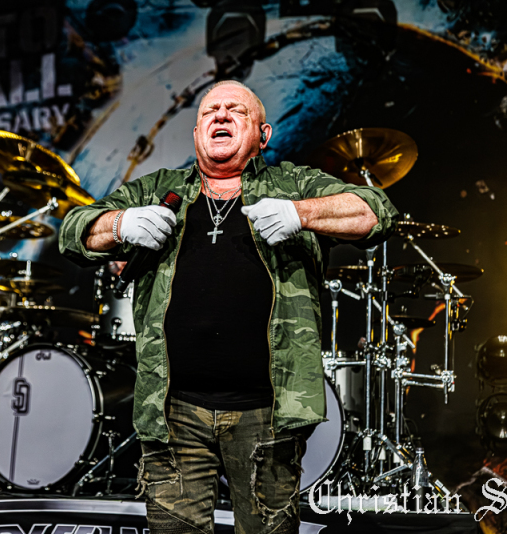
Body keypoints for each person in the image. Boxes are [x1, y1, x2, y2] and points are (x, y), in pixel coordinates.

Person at [59, 80, 398, 534]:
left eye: (236, 110)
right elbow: (73, 231)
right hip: (173, 411)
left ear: (263, 134)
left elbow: (377, 212)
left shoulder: (292, 184)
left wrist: (300, 214)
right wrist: (120, 223)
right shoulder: (160, 189)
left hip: (267, 414)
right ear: (197, 133)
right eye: (209, 111)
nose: (220, 114)